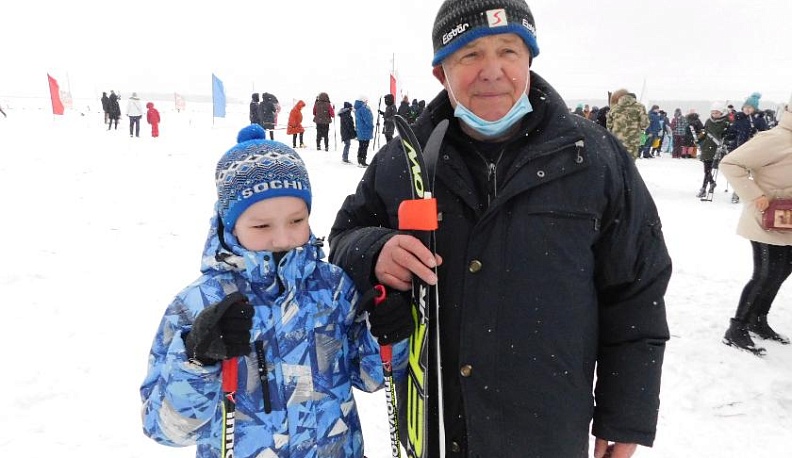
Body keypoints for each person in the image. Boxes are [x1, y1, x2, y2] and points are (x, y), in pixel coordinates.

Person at [328, 1, 671, 456]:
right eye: (469, 55)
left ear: (528, 60)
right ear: (441, 73)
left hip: (548, 427)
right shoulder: (401, 161)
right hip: (440, 428)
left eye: (508, 51)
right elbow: (343, 241)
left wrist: (626, 412)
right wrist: (376, 252)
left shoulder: (596, 158)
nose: (492, 71)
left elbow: (636, 291)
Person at [140, 124, 400, 457]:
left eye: (297, 220)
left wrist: (385, 335)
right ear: (230, 225)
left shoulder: (332, 287)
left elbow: (370, 377)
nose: (283, 239)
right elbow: (165, 428)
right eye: (262, 226)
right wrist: (197, 359)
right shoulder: (198, 304)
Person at [719, 98, 792, 356]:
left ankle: (758, 319)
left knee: (782, 270)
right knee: (765, 273)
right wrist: (754, 194)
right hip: (767, 218)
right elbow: (730, 163)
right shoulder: (774, 138)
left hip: (789, 219)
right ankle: (736, 328)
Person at [724, 92, 770, 203]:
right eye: (746, 107)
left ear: (754, 109)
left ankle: (752, 193)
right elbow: (733, 132)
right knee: (739, 173)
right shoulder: (739, 118)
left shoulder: (759, 120)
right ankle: (738, 192)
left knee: (751, 173)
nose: (747, 109)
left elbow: (766, 134)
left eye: (750, 107)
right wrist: (728, 134)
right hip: (738, 149)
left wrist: (757, 133)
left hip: (752, 150)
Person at [695, 103, 729, 198]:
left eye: (717, 112)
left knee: (708, 169)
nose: (714, 114)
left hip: (716, 148)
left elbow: (727, 135)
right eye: (713, 112)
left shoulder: (725, 123)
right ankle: (711, 183)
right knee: (706, 169)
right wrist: (698, 139)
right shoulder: (708, 121)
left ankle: (704, 188)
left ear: (721, 113)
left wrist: (725, 141)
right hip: (706, 147)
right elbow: (704, 132)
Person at [607, 89, 649, 159]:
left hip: (617, 139)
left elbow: (609, 125)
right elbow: (644, 123)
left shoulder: (615, 107)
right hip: (633, 140)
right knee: (630, 162)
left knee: (618, 161)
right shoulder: (640, 107)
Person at [353, 96, 373, 167]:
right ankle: (363, 161)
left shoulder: (357, 109)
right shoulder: (364, 109)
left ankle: (360, 160)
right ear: (363, 101)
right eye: (366, 101)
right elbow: (368, 120)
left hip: (360, 131)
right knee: (364, 146)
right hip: (365, 130)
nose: (367, 102)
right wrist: (371, 126)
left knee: (361, 146)